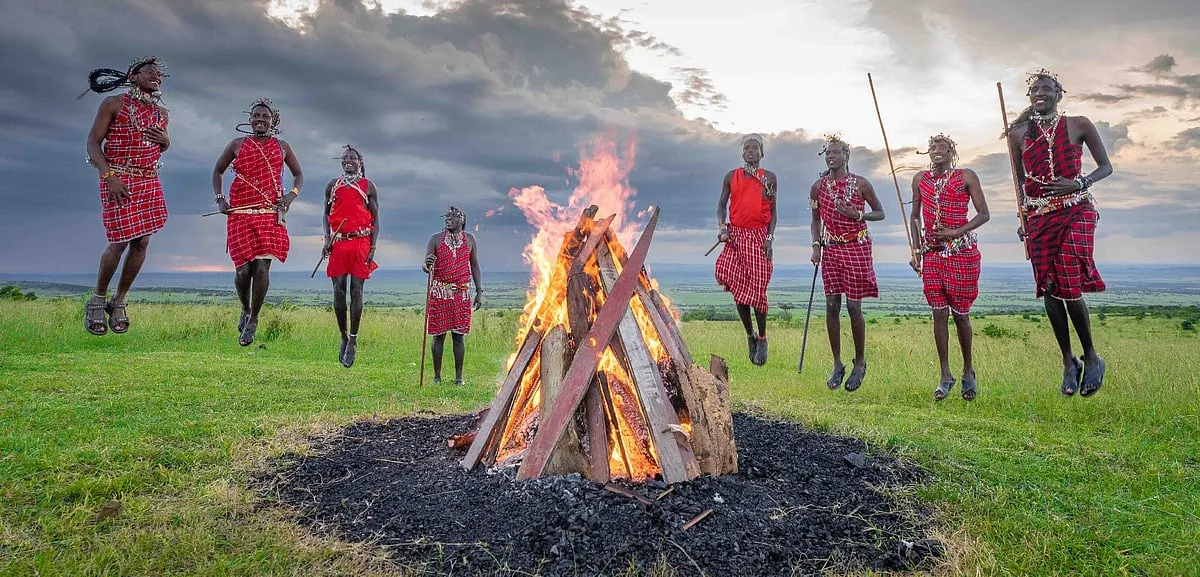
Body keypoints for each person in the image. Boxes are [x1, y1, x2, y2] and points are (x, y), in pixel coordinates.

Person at [1007, 69, 1113, 397]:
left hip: (1076, 209)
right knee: (1049, 289)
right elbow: (1020, 184)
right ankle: (1069, 361)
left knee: (1067, 281)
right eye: (1034, 89)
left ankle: (1092, 356)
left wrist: (1079, 182)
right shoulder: (1019, 134)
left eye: (1047, 88)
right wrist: (1025, 217)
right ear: (1029, 97)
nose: (1040, 92)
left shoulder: (1079, 124)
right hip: (1039, 218)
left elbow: (1105, 167)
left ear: (1058, 93)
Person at [82, 57, 171, 336]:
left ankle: (119, 300)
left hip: (148, 179)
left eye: (159, 75)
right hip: (117, 177)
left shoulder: (162, 114)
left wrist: (166, 143)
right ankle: (97, 299)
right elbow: (93, 144)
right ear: (133, 76)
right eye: (150, 72)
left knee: (142, 240)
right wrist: (109, 177)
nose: (156, 77)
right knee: (119, 241)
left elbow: (156, 147)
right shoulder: (114, 104)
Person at [211, 98, 303, 346]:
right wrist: (220, 199)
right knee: (243, 270)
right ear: (249, 120)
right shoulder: (237, 144)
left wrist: (289, 197)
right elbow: (217, 171)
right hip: (240, 212)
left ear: (273, 121)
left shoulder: (282, 146)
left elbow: (298, 175)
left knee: (262, 268)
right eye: (256, 116)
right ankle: (245, 307)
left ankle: (253, 319)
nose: (260, 119)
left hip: (268, 213)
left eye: (265, 116)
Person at [909, 134, 990, 401]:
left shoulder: (965, 176)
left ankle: (968, 371)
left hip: (961, 253)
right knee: (938, 313)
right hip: (932, 254)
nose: (937, 151)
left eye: (943, 147)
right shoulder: (921, 180)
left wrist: (956, 232)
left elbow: (983, 214)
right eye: (932, 147)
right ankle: (945, 375)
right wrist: (916, 249)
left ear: (952, 152)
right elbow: (914, 217)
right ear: (927, 152)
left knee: (961, 315)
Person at [809, 135, 885, 392]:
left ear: (846, 155)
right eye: (828, 153)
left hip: (857, 246)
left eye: (836, 152)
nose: (831, 156)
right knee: (832, 305)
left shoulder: (861, 183)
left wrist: (859, 215)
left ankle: (860, 362)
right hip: (830, 248)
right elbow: (815, 220)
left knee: (854, 306)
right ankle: (837, 363)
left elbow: (880, 212)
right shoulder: (817, 187)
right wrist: (816, 245)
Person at [715, 133, 778, 366]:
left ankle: (762, 338)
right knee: (734, 282)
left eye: (755, 148)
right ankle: (749, 334)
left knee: (758, 291)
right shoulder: (732, 176)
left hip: (759, 237)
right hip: (736, 236)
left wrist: (769, 239)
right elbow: (721, 205)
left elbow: (774, 213)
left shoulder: (769, 178)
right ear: (742, 153)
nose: (751, 151)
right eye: (747, 148)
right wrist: (723, 228)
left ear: (762, 153)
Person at [321, 145, 379, 367]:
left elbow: (376, 219)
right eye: (345, 158)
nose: (348, 161)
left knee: (356, 290)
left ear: (360, 162)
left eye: (352, 158)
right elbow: (325, 215)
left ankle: (353, 339)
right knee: (338, 291)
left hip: (360, 241)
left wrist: (373, 246)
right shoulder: (332, 186)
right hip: (338, 242)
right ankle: (343, 336)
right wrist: (326, 238)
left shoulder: (368, 186)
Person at [423, 206, 483, 385]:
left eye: (453, 217)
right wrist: (427, 264)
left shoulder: (470, 239)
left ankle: (459, 378)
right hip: (440, 292)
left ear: (462, 220)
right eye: (446, 217)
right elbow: (426, 267)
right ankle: (437, 377)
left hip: (462, 292)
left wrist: (479, 292)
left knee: (459, 336)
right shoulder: (435, 239)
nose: (448, 219)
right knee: (439, 335)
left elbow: (475, 266)